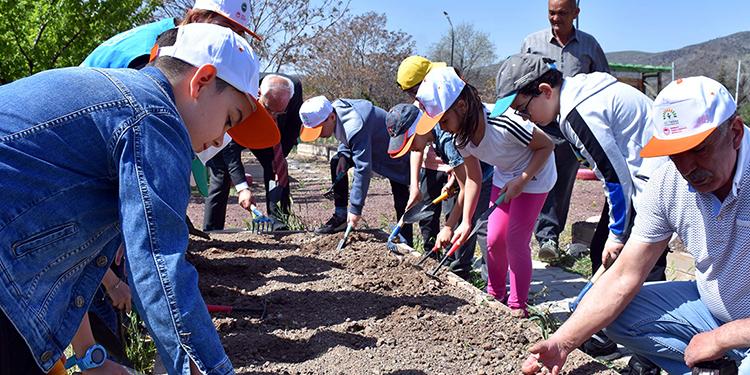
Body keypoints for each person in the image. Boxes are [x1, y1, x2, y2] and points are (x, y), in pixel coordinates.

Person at [0, 23, 279, 374]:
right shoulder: (154, 115)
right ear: (202, 81)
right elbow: (160, 266)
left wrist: (90, 358)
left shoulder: (118, 97)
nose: (221, 140)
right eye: (229, 119)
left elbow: (74, 254)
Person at [521, 76, 750, 375]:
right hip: (713, 312)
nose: (688, 167)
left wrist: (721, 338)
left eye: (699, 149)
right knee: (615, 312)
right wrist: (562, 342)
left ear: (734, 133)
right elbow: (625, 275)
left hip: (735, 325)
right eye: (675, 154)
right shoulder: (669, 181)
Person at [492, 52, 675, 371]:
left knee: (645, 266)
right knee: (599, 250)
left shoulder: (579, 112)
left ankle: (648, 358)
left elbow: (615, 178)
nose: (524, 117)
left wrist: (619, 234)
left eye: (523, 108)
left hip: (657, 181)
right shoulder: (575, 96)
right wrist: (613, 235)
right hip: (639, 180)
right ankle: (602, 331)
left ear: (545, 91)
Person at [413, 66, 557, 317]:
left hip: (535, 176)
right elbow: (472, 180)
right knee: (493, 239)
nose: (443, 129)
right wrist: (463, 222)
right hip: (505, 175)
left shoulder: (503, 122)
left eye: (444, 121)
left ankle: (517, 306)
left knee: (515, 240)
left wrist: (522, 180)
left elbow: (546, 146)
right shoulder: (462, 139)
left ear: (461, 106)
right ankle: (495, 295)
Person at [521, 0, 610, 262]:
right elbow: (520, 80)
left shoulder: (589, 45)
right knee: (532, 177)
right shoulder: (531, 43)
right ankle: (525, 234)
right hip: (538, 123)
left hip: (572, 125)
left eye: (562, 13)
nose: (556, 18)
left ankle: (549, 237)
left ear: (576, 13)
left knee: (561, 182)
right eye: (551, 13)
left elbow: (603, 81)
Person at [396, 55, 493, 279]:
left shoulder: (448, 136)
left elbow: (471, 180)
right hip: (472, 171)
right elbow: (463, 176)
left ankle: (491, 284)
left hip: (490, 174)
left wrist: (449, 225)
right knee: (468, 221)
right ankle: (465, 271)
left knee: (483, 228)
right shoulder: (436, 126)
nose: (414, 151)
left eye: (412, 146)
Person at [298, 96, 412, 244]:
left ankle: (406, 242)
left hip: (394, 155)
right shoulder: (336, 110)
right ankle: (340, 217)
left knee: (401, 198)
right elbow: (345, 133)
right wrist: (344, 155)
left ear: (331, 117)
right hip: (369, 146)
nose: (318, 134)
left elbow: (363, 168)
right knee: (336, 161)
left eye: (318, 129)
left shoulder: (356, 124)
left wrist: (355, 209)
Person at [202, 73, 303, 231]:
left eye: (279, 113)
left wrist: (280, 156)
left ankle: (278, 222)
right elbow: (230, 149)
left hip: (265, 134)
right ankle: (213, 230)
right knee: (221, 174)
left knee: (275, 166)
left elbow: (293, 126)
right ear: (258, 94)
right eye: (269, 109)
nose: (272, 117)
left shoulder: (294, 88)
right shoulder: (238, 89)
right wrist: (242, 188)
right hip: (231, 134)